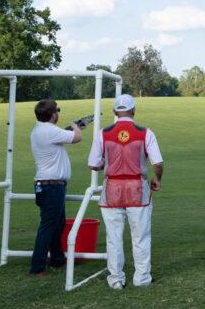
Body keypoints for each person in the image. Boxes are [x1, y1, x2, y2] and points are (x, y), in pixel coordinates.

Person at [87, 94, 163, 290]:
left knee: (113, 238)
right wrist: (157, 179)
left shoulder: (103, 133)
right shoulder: (145, 133)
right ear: (134, 110)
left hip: (112, 189)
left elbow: (93, 165)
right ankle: (142, 279)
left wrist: (107, 162)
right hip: (137, 189)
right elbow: (158, 163)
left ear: (114, 111)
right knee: (141, 236)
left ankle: (116, 280)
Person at [29, 98, 82, 276]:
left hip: (47, 185)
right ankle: (37, 267)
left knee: (56, 224)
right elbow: (77, 138)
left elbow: (58, 137)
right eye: (56, 112)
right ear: (53, 115)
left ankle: (57, 259)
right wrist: (75, 126)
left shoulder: (39, 130)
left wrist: (69, 129)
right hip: (52, 186)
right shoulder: (50, 131)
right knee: (48, 226)